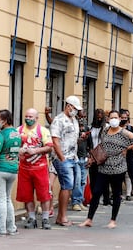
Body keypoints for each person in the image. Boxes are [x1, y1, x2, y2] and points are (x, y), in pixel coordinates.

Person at [78, 110, 133, 229]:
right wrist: (93, 158)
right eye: (111, 117)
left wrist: (128, 148)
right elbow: (102, 146)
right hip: (103, 167)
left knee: (116, 193)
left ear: (119, 119)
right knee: (97, 192)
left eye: (116, 117)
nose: (113, 119)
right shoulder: (105, 131)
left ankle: (113, 220)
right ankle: (89, 219)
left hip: (118, 168)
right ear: (108, 119)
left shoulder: (124, 132)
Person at [16, 108, 53, 230]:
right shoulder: (19, 130)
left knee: (44, 194)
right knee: (26, 195)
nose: (28, 119)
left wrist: (36, 150)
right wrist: (18, 150)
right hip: (24, 168)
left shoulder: (43, 131)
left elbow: (49, 148)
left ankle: (45, 218)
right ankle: (31, 218)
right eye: (26, 116)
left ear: (37, 118)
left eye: (31, 117)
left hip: (40, 168)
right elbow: (12, 146)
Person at [50, 95, 82, 226]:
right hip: (62, 158)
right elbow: (55, 140)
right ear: (68, 106)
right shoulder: (59, 120)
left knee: (69, 187)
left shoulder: (74, 120)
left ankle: (62, 216)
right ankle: (62, 217)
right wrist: (62, 158)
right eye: (74, 108)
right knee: (67, 186)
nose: (76, 111)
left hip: (73, 157)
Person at [88, 108, 111, 206]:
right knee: (93, 177)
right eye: (98, 115)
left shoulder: (107, 127)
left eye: (101, 115)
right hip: (93, 154)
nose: (99, 117)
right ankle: (94, 198)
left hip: (104, 155)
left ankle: (106, 199)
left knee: (104, 178)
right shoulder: (90, 127)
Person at [71, 111, 90, 211]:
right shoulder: (73, 127)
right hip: (75, 157)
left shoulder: (86, 128)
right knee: (77, 180)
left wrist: (89, 156)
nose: (82, 118)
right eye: (80, 116)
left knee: (83, 181)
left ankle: (80, 200)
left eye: (84, 116)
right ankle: (75, 202)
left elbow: (89, 143)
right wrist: (79, 138)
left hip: (84, 157)